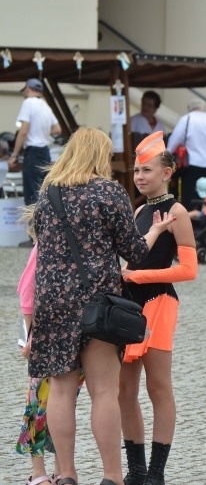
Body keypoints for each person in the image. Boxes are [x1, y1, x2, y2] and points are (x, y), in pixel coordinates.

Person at [28, 127, 176, 485]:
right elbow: (134, 251)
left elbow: (41, 248)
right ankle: (112, 476)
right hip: (96, 302)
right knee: (104, 391)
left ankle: (66, 474)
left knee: (61, 390)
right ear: (99, 156)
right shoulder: (108, 192)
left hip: (52, 301)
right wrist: (156, 232)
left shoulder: (48, 194)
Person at [118, 131, 198, 485]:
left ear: (167, 173)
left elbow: (189, 269)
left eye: (146, 170)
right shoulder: (138, 210)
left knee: (158, 388)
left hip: (159, 303)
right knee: (123, 391)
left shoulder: (177, 211)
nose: (139, 176)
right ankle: (136, 470)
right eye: (137, 170)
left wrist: (137, 276)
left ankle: (156, 472)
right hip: (129, 306)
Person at [15, 217, 85, 485]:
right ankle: (39, 472)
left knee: (62, 404)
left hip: (72, 336)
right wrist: (31, 337)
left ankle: (59, 471)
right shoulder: (44, 245)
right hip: (46, 337)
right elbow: (27, 293)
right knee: (38, 404)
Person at [166, 99, 206, 208]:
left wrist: (166, 157)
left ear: (189, 108)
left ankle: (192, 217)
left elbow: (174, 141)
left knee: (191, 198)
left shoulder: (186, 119)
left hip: (193, 165)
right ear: (203, 108)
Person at [9, 79, 60, 207]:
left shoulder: (28, 103)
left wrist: (14, 154)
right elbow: (57, 129)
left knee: (32, 194)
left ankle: (33, 220)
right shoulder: (46, 106)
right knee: (43, 191)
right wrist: (43, 132)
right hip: (45, 152)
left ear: (28, 89)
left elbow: (23, 131)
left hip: (32, 151)